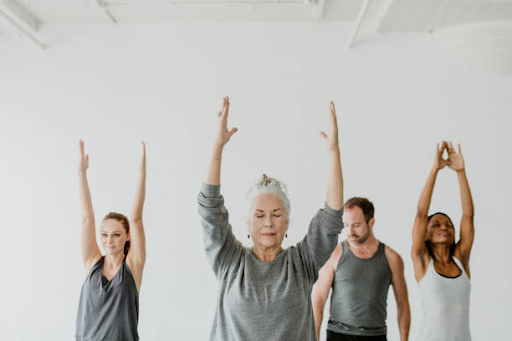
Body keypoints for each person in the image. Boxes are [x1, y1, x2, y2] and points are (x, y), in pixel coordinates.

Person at [197, 97, 345, 341]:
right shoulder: (229, 259)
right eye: (259, 215)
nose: (268, 222)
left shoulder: (302, 262)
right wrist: (217, 146)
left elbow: (332, 217)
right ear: (248, 222)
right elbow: (209, 209)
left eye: (276, 215)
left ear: (287, 222)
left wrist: (334, 153)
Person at [75, 140, 147, 341]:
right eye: (104, 235)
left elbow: (136, 218)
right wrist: (81, 173)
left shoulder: (133, 267)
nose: (109, 241)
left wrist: (142, 174)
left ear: (127, 236)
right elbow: (87, 217)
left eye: (116, 234)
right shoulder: (92, 263)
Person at [313, 198, 410, 341]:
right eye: (346, 225)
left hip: (375, 336)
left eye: (356, 225)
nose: (350, 232)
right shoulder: (335, 254)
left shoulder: (392, 258)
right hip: (338, 335)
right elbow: (318, 301)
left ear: (371, 223)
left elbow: (403, 305)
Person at [412, 141, 474, 341]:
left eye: (448, 224)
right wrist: (434, 170)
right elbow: (421, 214)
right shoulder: (422, 261)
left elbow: (468, 215)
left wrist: (460, 172)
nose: (444, 227)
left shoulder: (461, 260)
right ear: (426, 235)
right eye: (436, 225)